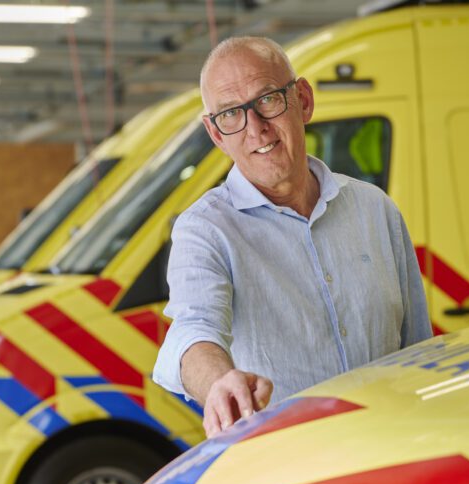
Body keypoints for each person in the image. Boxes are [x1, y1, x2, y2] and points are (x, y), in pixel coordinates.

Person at [152, 36, 432, 437]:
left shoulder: (375, 210)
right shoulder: (206, 230)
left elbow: (417, 349)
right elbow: (193, 328)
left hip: (392, 452)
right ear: (216, 134)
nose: (256, 129)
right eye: (231, 114)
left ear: (303, 100)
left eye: (267, 100)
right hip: (291, 471)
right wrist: (218, 384)